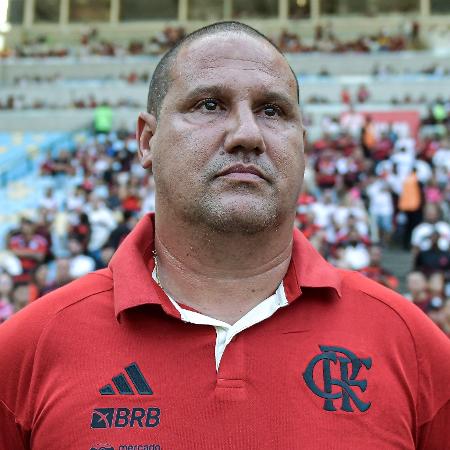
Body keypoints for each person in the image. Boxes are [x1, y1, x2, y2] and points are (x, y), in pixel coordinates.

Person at [0, 22, 449, 450]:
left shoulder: (411, 344)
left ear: (304, 146)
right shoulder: (27, 350)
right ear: (146, 141)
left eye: (272, 111)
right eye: (209, 104)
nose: (247, 134)